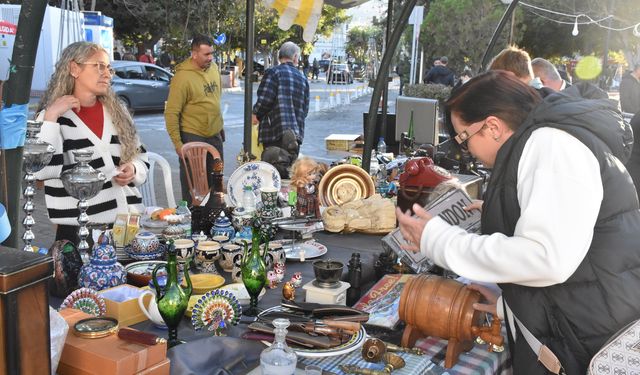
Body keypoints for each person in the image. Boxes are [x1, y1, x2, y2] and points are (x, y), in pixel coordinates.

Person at [397, 70, 640, 374]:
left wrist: (438, 240)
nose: (466, 151)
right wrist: (510, 303)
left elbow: (547, 258)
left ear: (493, 126)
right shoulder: (543, 141)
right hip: (584, 329)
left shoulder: (551, 145)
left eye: (463, 139)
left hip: (592, 343)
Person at [34, 41, 149, 243]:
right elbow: (42, 172)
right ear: (74, 68)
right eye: (99, 66)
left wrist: (133, 168)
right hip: (80, 234)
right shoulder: (53, 118)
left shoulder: (117, 111)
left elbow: (141, 155)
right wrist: (51, 117)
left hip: (127, 228)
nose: (107, 73)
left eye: (109, 68)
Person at [165, 34, 224, 203]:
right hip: (193, 135)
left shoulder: (213, 68)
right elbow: (171, 113)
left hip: (215, 135)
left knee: (216, 181)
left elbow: (215, 99)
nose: (211, 58)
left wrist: (220, 127)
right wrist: (178, 143)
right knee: (193, 186)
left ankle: (215, 216)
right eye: (206, 54)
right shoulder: (182, 77)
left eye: (212, 53)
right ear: (194, 54)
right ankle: (191, 218)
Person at [253, 41, 310, 178]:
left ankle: (273, 200)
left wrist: (255, 114)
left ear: (279, 56)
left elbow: (265, 100)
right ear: (295, 57)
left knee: (271, 176)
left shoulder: (273, 72)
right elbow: (305, 109)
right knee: (288, 175)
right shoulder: (302, 78)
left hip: (274, 132)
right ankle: (288, 199)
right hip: (295, 136)